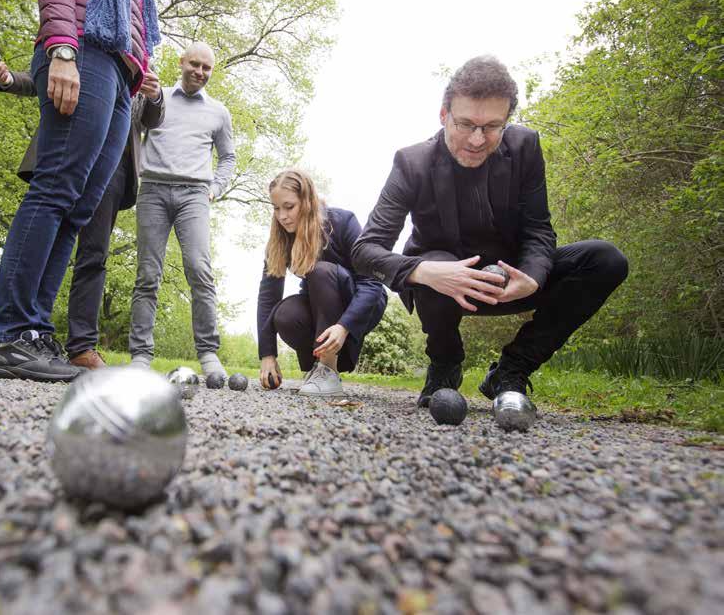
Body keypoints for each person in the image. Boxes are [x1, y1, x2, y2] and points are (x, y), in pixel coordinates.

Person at [352, 55, 628, 429]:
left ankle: (510, 372)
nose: (477, 139)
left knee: (605, 259)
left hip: (509, 282)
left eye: (492, 127)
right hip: (442, 290)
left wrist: (533, 273)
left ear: (507, 121)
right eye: (465, 124)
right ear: (443, 115)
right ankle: (445, 364)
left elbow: (538, 229)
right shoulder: (411, 163)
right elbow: (366, 250)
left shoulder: (526, 147)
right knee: (432, 262)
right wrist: (421, 270)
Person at [0, 0, 160, 381]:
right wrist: (62, 48)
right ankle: (10, 332)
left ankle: (35, 332)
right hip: (82, 50)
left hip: (122, 74)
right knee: (55, 189)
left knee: (78, 208)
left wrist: (139, 65)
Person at [0, 56, 165, 371]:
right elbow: (50, 78)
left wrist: (153, 95)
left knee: (91, 252)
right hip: (74, 144)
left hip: (113, 166)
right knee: (47, 216)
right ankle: (9, 328)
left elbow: (152, 120)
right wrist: (8, 80)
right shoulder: (93, 49)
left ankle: (78, 345)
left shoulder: (137, 73)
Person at [127, 42, 235, 379]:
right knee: (147, 274)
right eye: (194, 64)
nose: (199, 72)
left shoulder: (218, 112)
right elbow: (130, 128)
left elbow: (228, 157)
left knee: (199, 270)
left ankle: (208, 354)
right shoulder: (155, 97)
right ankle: (140, 356)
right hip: (154, 191)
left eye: (206, 68)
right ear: (181, 62)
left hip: (194, 196)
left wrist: (214, 189)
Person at [257, 170, 387, 397]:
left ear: (307, 201)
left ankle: (328, 370)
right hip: (320, 308)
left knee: (320, 271)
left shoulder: (343, 221)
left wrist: (344, 325)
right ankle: (316, 370)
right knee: (285, 314)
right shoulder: (280, 240)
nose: (282, 216)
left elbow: (372, 283)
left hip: (362, 303)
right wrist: (267, 355)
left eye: (289, 207)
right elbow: (268, 299)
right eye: (276, 208)